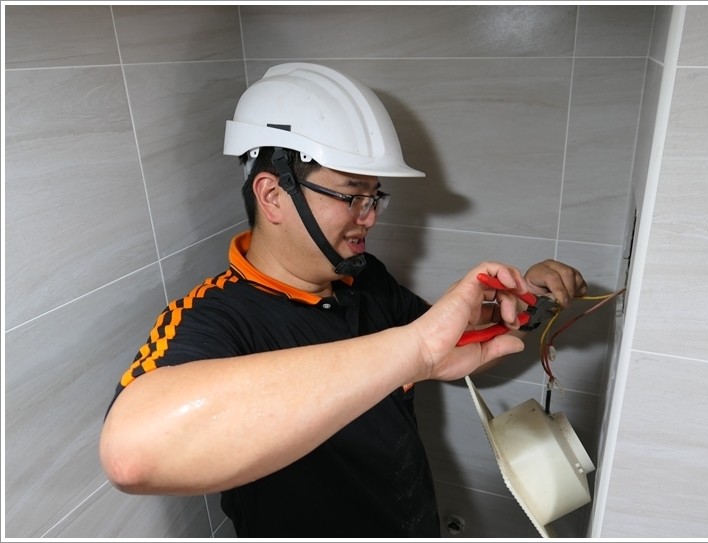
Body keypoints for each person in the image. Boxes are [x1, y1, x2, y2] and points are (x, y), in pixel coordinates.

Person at [99, 62, 588, 537]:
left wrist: (525, 300)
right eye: (352, 195)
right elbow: (132, 453)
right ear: (272, 195)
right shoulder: (216, 318)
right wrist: (415, 349)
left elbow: (451, 348)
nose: (370, 216)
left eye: (374, 197)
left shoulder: (365, 276)